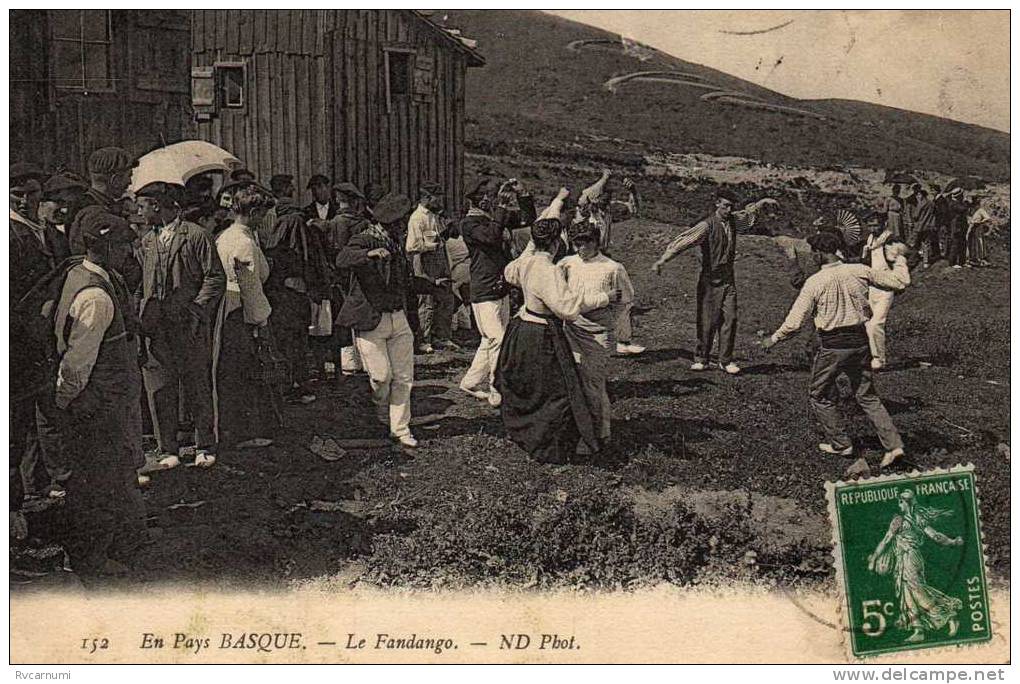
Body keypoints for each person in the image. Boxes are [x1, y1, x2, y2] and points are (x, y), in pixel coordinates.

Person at [52, 211, 148, 580]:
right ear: (102, 246)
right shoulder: (95, 296)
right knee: (98, 485)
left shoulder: (85, 275)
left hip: (104, 401)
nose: (130, 250)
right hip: (96, 405)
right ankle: (93, 561)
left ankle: (121, 545)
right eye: (124, 244)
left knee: (114, 476)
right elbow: (77, 363)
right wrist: (65, 401)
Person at [761, 230, 909, 468]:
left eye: (814, 253)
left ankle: (841, 444)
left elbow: (795, 322)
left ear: (821, 254)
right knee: (867, 396)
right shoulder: (859, 270)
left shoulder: (815, 282)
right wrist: (900, 259)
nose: (812, 258)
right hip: (860, 344)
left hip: (833, 346)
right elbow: (900, 283)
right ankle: (894, 446)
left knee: (818, 394)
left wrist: (774, 339)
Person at [495, 218, 621, 464]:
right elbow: (568, 309)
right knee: (556, 391)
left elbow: (509, 273)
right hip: (541, 332)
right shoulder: (548, 270)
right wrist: (604, 298)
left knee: (528, 384)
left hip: (521, 328)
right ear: (556, 242)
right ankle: (546, 441)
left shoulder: (526, 262)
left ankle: (523, 429)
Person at [336, 194, 445, 449]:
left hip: (398, 319)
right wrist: (370, 254)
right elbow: (342, 258)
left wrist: (431, 286)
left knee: (404, 377)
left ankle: (400, 428)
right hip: (372, 319)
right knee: (381, 377)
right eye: (399, 223)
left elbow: (405, 283)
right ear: (389, 223)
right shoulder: (365, 238)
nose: (402, 227)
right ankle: (381, 413)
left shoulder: (395, 245)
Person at [135, 182, 225, 469]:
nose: (139, 212)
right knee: (159, 388)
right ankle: (167, 449)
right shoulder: (146, 241)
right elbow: (139, 283)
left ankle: (204, 445)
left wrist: (197, 310)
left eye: (143, 206)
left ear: (157, 205)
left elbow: (215, 278)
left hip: (189, 325)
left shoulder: (197, 236)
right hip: (156, 329)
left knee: (197, 385)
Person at [652, 191, 779, 374]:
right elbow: (683, 242)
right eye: (725, 205)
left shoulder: (734, 221)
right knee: (707, 321)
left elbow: (749, 214)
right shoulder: (706, 226)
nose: (729, 210)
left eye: (731, 206)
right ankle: (702, 358)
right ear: (717, 204)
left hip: (728, 279)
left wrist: (762, 202)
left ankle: (725, 360)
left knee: (731, 318)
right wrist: (662, 261)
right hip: (710, 280)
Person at [10, 164, 74, 499]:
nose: (24, 201)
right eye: (16, 195)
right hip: (18, 343)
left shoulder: (52, 235)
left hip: (51, 340)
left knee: (51, 413)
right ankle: (18, 502)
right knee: (17, 422)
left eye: (31, 194)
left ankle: (51, 483)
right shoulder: (9, 237)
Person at [212, 182, 280, 449]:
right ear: (252, 213)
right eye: (262, 214)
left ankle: (231, 429)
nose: (264, 219)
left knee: (231, 371)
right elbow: (249, 285)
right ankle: (244, 432)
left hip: (227, 306)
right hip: (240, 308)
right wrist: (259, 320)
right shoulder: (243, 242)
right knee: (246, 371)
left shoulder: (225, 236)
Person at [458, 179, 535, 406]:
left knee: (489, 339)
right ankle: (496, 386)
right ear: (478, 199)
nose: (491, 200)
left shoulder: (493, 218)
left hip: (499, 287)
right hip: (484, 290)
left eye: (493, 196)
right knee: (497, 339)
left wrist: (523, 194)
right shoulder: (469, 224)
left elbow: (527, 219)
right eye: (488, 196)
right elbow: (491, 237)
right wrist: (501, 208)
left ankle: (470, 382)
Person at [558, 221, 635, 447]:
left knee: (593, 384)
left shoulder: (612, 267)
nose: (581, 248)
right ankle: (575, 428)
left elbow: (626, 299)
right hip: (570, 328)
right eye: (577, 243)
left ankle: (600, 433)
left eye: (586, 242)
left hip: (598, 333)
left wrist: (609, 319)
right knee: (571, 380)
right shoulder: (567, 264)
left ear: (597, 242)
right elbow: (561, 296)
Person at [868, 490, 964, 643]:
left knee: (918, 592)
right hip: (909, 559)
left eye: (900, 501)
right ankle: (918, 629)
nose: (899, 504)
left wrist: (874, 559)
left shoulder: (899, 520)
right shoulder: (918, 518)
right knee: (908, 594)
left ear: (905, 502)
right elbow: (936, 536)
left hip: (908, 558)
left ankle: (949, 616)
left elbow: (886, 540)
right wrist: (952, 542)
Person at [265, 213, 332, 404]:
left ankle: (292, 385)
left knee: (292, 346)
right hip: (289, 305)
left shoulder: (275, 247)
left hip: (288, 305)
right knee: (293, 346)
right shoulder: (294, 248)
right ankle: (293, 385)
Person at [327, 182, 372, 376]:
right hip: (358, 272)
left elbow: (333, 251)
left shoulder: (336, 222)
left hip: (342, 274)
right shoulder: (362, 223)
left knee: (344, 315)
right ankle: (360, 358)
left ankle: (349, 360)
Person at [406, 182, 457, 353]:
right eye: (437, 198)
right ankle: (424, 339)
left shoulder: (435, 216)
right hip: (424, 259)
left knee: (445, 297)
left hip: (440, 257)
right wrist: (431, 245)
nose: (440, 202)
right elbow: (412, 246)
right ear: (427, 198)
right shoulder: (417, 217)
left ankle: (442, 337)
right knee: (426, 301)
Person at [861, 215, 911, 370]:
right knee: (867, 323)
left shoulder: (891, 241)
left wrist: (898, 281)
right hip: (872, 288)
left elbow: (906, 258)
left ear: (883, 224)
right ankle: (869, 356)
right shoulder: (869, 240)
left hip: (886, 289)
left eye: (876, 225)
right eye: (870, 225)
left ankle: (879, 360)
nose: (873, 229)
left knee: (876, 323)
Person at [67, 147, 137, 256]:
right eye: (128, 176)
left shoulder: (85, 203)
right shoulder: (94, 213)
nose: (130, 182)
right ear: (115, 180)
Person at [908, 186, 939, 268]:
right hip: (929, 226)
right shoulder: (932, 203)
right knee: (926, 244)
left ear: (922, 195)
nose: (917, 196)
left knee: (915, 244)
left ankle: (913, 261)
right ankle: (926, 261)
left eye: (918, 195)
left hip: (920, 226)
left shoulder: (921, 204)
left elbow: (915, 215)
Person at [943, 187, 970, 269]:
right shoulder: (953, 204)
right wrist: (966, 202)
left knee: (962, 244)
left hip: (961, 226)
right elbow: (964, 209)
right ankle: (952, 262)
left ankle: (962, 261)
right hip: (956, 227)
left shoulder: (957, 202)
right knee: (955, 244)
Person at [966, 196, 994, 267]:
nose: (975, 204)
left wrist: (980, 222)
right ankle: (972, 258)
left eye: (976, 203)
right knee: (971, 242)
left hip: (978, 228)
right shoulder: (971, 209)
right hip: (971, 227)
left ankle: (980, 258)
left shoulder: (981, 210)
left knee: (979, 241)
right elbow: (968, 216)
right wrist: (970, 221)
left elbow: (988, 218)